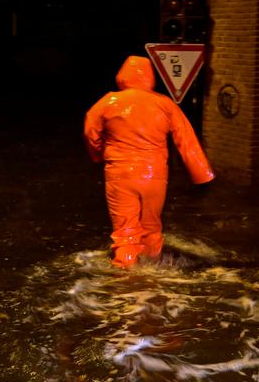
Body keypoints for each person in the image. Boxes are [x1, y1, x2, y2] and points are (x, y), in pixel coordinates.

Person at [83, 54, 214, 267]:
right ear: (150, 77)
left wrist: (97, 155)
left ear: (122, 76)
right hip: (154, 175)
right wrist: (201, 174)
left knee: (125, 231)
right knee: (152, 226)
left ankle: (125, 278)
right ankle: (152, 270)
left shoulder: (108, 102)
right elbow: (186, 140)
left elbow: (91, 132)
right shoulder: (164, 104)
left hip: (120, 173)